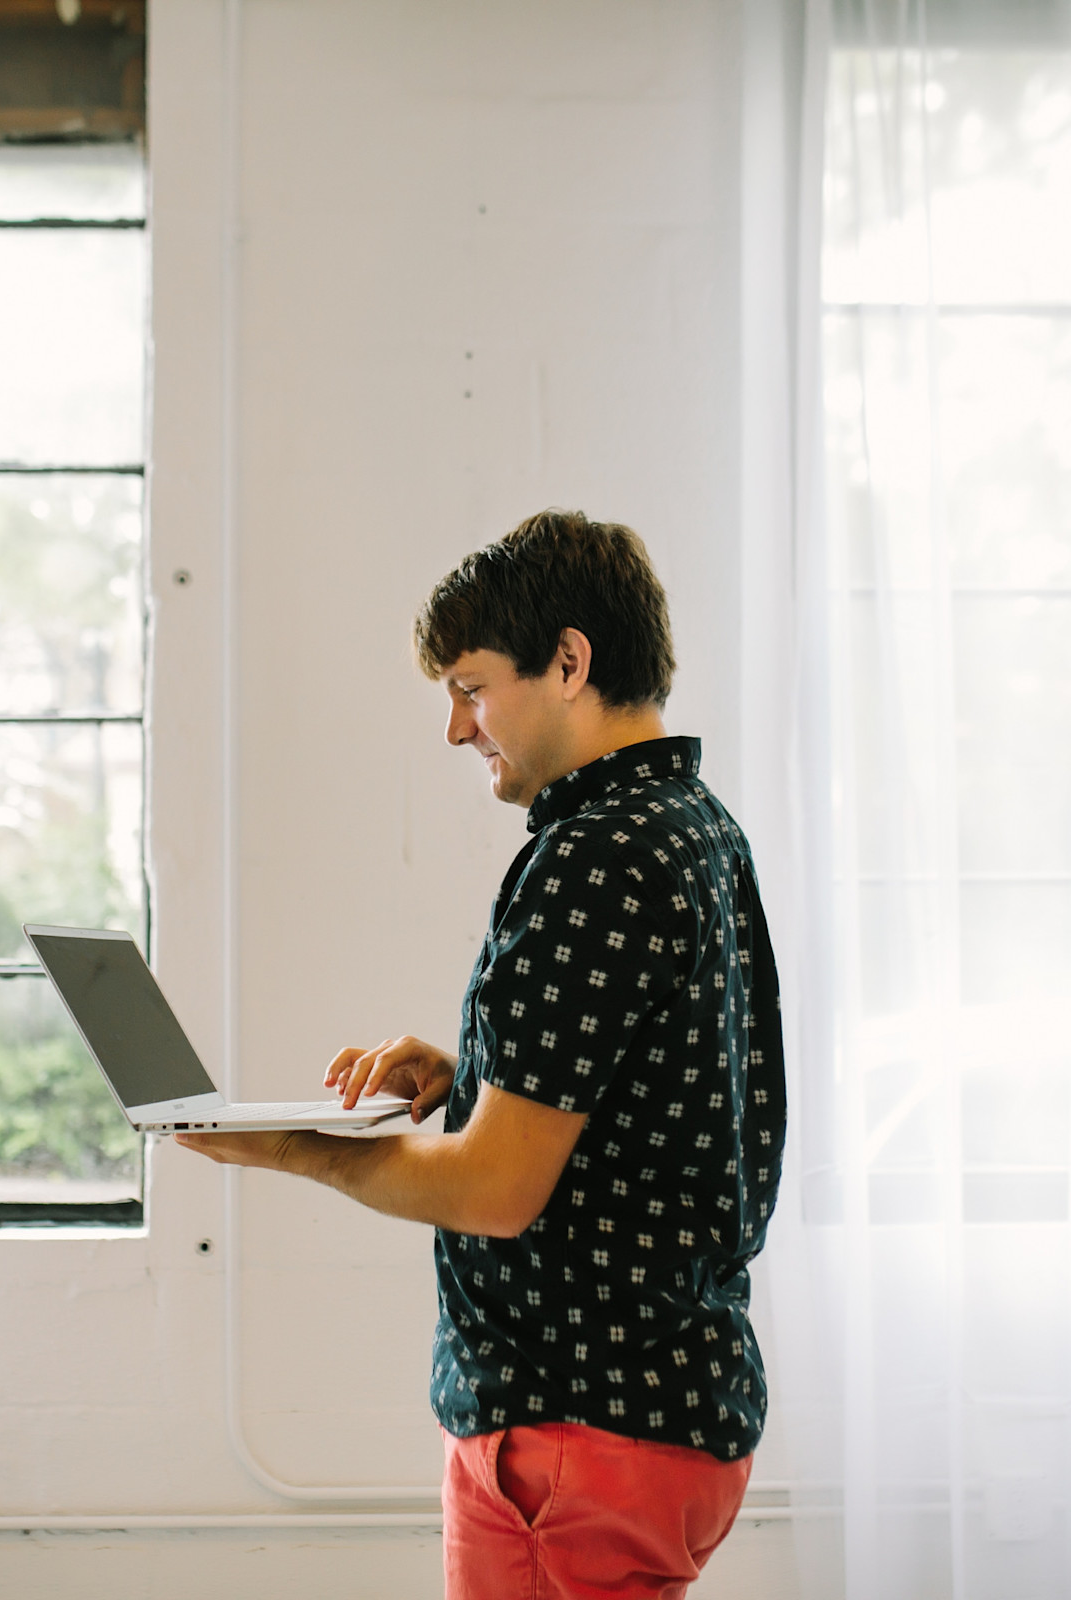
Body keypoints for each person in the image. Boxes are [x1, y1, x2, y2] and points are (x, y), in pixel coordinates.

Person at [177, 509, 785, 1600]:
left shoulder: (592, 855)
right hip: (664, 1413)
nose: (458, 728)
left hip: (575, 1433)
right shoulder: (691, 824)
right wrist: (479, 1072)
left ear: (568, 661)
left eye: (470, 685)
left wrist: (294, 1148)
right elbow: (666, 1096)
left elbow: (501, 1190)